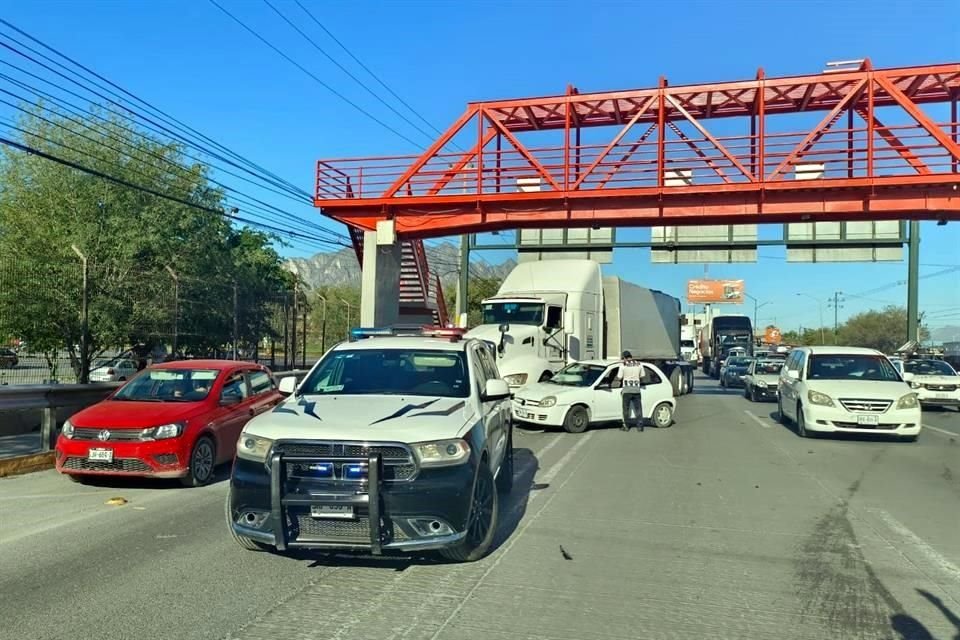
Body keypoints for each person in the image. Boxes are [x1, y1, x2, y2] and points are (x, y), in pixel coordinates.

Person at [616, 350, 649, 432]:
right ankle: (640, 426)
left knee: (626, 409)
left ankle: (626, 426)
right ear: (631, 356)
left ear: (624, 357)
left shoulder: (622, 365)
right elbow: (643, 375)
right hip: (636, 390)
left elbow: (619, 377)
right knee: (638, 409)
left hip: (626, 390)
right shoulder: (639, 364)